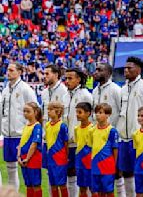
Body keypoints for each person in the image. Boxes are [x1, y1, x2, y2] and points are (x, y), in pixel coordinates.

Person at [118, 56, 143, 196]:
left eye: (130, 68)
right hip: (124, 139)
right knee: (126, 172)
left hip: (141, 139)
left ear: (139, 70)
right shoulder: (122, 89)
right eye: (125, 68)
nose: (126, 70)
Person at [2, 63, 38, 191]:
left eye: (11, 70)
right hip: (8, 134)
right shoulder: (6, 89)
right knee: (10, 169)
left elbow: (36, 109)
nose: (8, 72)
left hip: (22, 134)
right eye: (7, 69)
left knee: (26, 169)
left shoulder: (26, 89)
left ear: (19, 72)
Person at [92, 63, 124, 196]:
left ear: (109, 73)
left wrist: (116, 133)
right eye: (96, 69)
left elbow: (122, 112)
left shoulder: (116, 90)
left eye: (100, 70)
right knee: (99, 183)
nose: (96, 72)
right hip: (98, 138)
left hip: (113, 138)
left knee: (117, 174)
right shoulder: (94, 91)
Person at [64, 67, 93, 197]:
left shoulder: (85, 95)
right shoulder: (65, 95)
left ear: (79, 79)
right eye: (66, 78)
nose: (67, 81)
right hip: (68, 141)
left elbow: (90, 119)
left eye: (70, 78)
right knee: (70, 172)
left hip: (82, 142)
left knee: (84, 176)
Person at [40, 64, 67, 170]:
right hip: (47, 136)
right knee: (49, 170)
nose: (44, 76)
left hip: (58, 138)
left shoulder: (64, 91)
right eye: (44, 73)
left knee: (60, 171)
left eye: (47, 74)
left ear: (56, 75)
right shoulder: (44, 92)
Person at [91, 103, 119, 196]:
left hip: (107, 165)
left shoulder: (112, 131)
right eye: (96, 113)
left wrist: (113, 165)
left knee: (109, 190)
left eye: (100, 112)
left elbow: (115, 149)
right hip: (95, 164)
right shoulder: (93, 130)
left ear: (107, 115)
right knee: (98, 191)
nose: (97, 115)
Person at [17, 102, 43, 197]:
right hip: (23, 158)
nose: (25, 113)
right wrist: (19, 156)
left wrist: (27, 158)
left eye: (28, 111)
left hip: (33, 159)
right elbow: (21, 142)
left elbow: (34, 144)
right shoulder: (26, 126)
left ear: (35, 112)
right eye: (24, 111)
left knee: (36, 184)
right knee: (28, 184)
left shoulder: (37, 126)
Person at [45, 101, 69, 197]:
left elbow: (66, 142)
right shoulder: (47, 125)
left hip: (60, 158)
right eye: (48, 109)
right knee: (53, 184)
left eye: (51, 109)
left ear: (58, 112)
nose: (48, 111)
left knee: (62, 184)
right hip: (50, 158)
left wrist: (65, 156)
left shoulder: (62, 126)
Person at [74, 102, 93, 197]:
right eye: (76, 112)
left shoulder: (93, 129)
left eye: (80, 112)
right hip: (79, 162)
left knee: (92, 188)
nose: (77, 114)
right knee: (82, 188)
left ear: (88, 113)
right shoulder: (76, 129)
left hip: (89, 162)